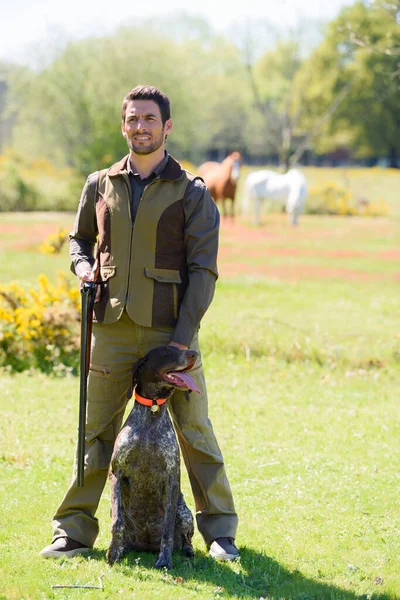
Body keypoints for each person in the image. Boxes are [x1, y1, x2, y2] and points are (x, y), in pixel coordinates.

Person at [40, 85, 239, 561]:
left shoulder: (192, 192)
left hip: (169, 333)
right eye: (132, 119)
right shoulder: (98, 184)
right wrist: (81, 266)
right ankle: (73, 530)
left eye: (150, 119)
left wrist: (180, 342)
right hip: (109, 327)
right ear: (123, 124)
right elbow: (79, 242)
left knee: (194, 430)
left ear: (166, 126)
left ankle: (218, 532)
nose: (140, 127)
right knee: (96, 429)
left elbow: (204, 273)